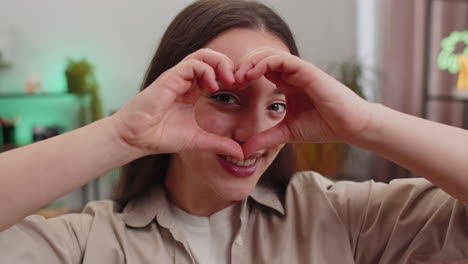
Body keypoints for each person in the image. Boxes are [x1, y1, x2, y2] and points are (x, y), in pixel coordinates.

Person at [1, 0, 468, 263]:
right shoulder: (90, 243)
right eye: (226, 98)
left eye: (276, 105)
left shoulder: (340, 217)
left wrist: (366, 123)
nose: (250, 134)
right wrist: (123, 135)